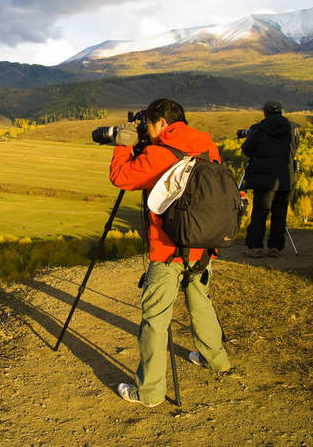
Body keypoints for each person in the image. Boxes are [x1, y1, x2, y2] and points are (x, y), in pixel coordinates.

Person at [108, 98, 230, 407]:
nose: (146, 131)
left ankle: (149, 392)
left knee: (155, 319)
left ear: (162, 123)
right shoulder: (207, 146)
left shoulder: (160, 153)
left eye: (147, 124)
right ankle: (216, 360)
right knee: (200, 302)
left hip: (167, 249)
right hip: (203, 246)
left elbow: (121, 177)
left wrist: (124, 145)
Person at [241, 101, 299, 258]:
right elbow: (295, 148)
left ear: (265, 112)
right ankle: (275, 247)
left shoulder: (259, 129)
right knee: (280, 214)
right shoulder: (291, 128)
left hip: (264, 179)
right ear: (280, 112)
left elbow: (247, 150)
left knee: (260, 213)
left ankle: (255, 247)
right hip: (285, 177)